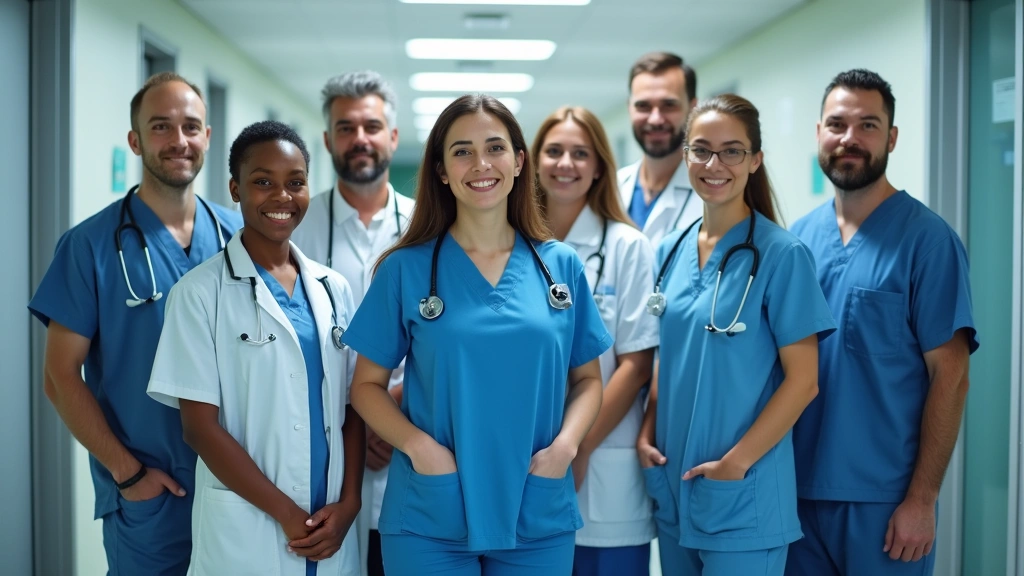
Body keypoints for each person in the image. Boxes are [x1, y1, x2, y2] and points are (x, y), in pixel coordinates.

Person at [340, 94, 612, 576]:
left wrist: (566, 447)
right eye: (462, 151)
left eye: (495, 147)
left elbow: (589, 380)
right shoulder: (407, 269)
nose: (481, 164)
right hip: (432, 510)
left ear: (519, 160)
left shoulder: (560, 266)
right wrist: (420, 448)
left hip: (535, 505)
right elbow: (365, 387)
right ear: (442, 170)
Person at [27, 72, 241, 575]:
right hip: (153, 492)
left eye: (191, 126)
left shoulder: (241, 238)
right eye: (161, 127)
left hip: (239, 487)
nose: (179, 141)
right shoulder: (90, 245)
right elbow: (59, 377)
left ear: (208, 137)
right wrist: (128, 474)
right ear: (135, 140)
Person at [147, 120, 363, 576]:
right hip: (251, 530)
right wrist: (287, 514)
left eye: (296, 182)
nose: (282, 196)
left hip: (332, 525)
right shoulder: (200, 293)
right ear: (235, 189)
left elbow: (352, 408)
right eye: (262, 182)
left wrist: (349, 504)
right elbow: (200, 429)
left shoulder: (334, 289)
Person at [785, 69, 977, 576]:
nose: (850, 138)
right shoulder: (797, 241)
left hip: (885, 503)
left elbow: (951, 377)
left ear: (891, 138)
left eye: (868, 125)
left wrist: (922, 500)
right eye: (838, 124)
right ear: (819, 135)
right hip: (793, 495)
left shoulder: (928, 242)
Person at [635, 94, 836, 576]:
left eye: (732, 151)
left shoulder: (782, 255)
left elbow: (803, 381)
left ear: (755, 160)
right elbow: (669, 355)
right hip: (676, 484)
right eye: (701, 149)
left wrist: (735, 465)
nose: (714, 163)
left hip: (743, 492)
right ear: (685, 156)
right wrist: (646, 432)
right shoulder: (668, 249)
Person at [291, 71, 414, 576]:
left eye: (371, 125)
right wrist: (360, 422)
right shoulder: (294, 227)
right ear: (326, 141)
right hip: (320, 442)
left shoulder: (429, 226)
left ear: (392, 137)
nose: (359, 138)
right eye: (345, 128)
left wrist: (387, 416)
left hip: (408, 437)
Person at [530, 105, 658, 576]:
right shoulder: (512, 242)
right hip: (526, 459)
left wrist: (576, 448)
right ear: (532, 161)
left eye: (580, 153)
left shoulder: (627, 246)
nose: (566, 164)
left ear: (600, 165)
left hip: (602, 460)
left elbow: (636, 363)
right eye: (555, 151)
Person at [617, 51, 703, 247]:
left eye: (669, 105)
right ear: (629, 107)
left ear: (693, 108)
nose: (655, 119)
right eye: (643, 106)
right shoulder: (613, 188)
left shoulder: (712, 192)